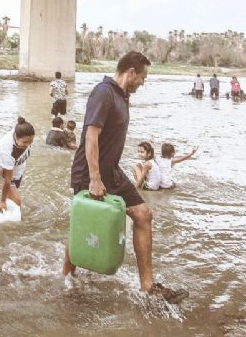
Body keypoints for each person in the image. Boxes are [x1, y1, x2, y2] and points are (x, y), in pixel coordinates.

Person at [63, 51, 188, 303]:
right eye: (142, 77)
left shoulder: (122, 96)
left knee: (144, 215)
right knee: (84, 223)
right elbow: (91, 136)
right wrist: (95, 178)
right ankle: (66, 278)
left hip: (112, 171)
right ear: (131, 72)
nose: (143, 82)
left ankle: (147, 287)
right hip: (90, 172)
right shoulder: (104, 92)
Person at [0, 117, 35, 213]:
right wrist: (2, 201)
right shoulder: (7, 149)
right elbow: (7, 179)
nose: (28, 144)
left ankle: (4, 208)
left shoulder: (23, 133)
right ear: (15, 136)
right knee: (17, 202)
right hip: (2, 173)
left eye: (31, 141)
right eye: (25, 142)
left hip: (16, 171)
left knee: (12, 198)